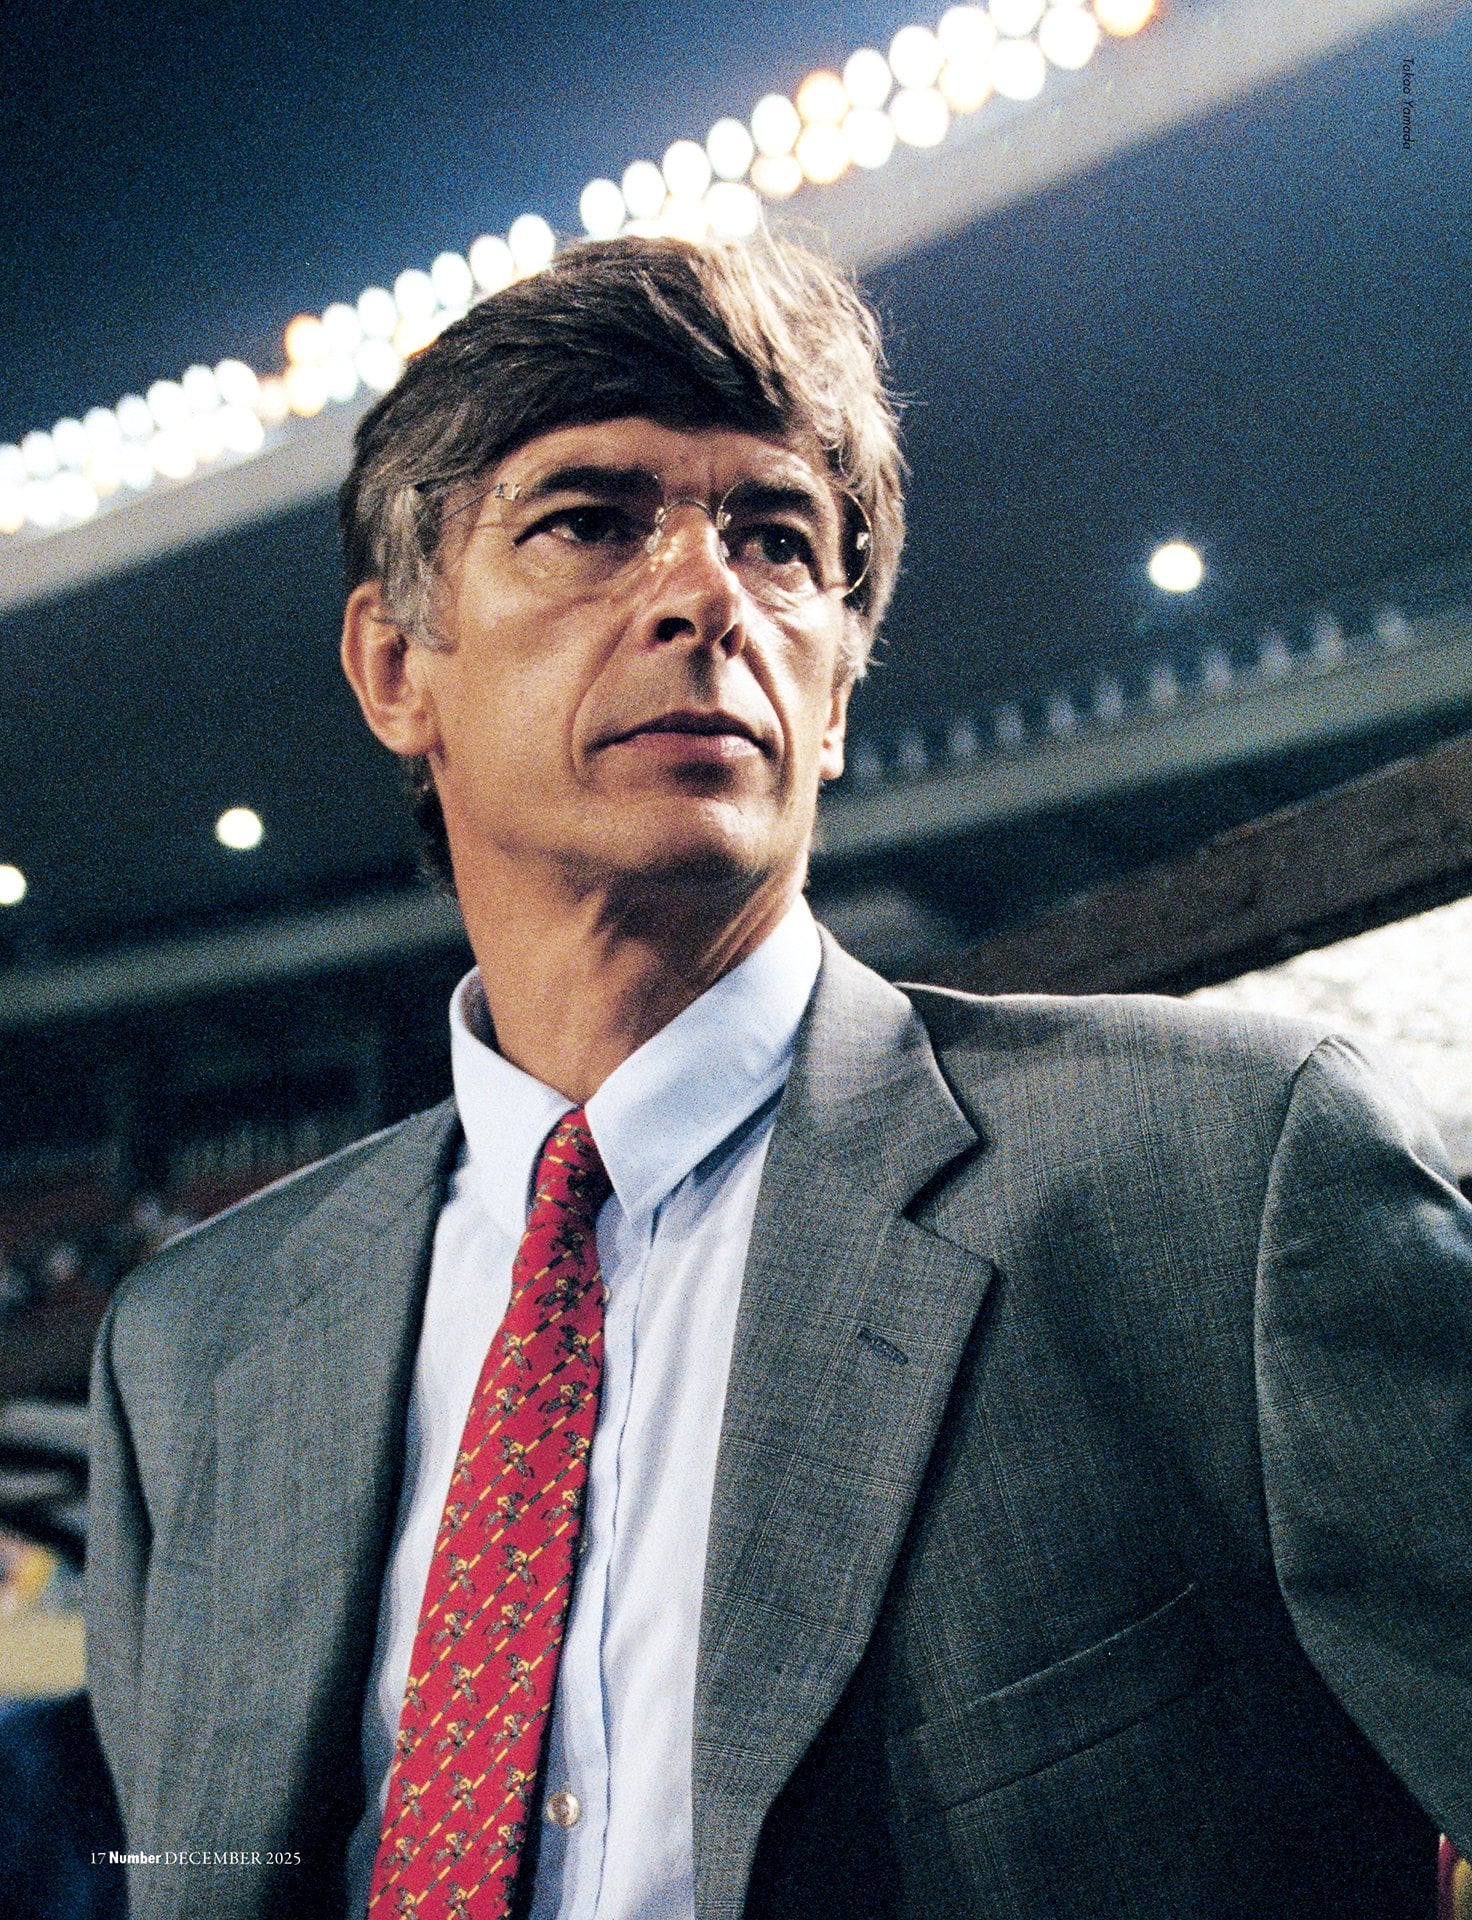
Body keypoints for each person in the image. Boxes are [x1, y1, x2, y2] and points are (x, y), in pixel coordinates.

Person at [86, 233, 1472, 1920]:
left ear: (832, 700)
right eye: (589, 521)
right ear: (395, 668)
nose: (706, 596)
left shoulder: (1224, 1179)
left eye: (777, 539)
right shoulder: (191, 1350)